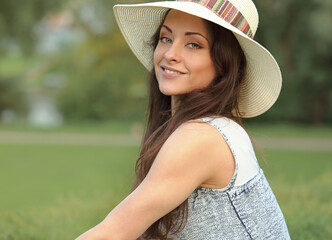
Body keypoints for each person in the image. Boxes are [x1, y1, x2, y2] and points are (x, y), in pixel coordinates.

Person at [76, 0, 291, 239]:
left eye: (193, 44)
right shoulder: (217, 128)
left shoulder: (201, 138)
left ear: (224, 63)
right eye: (166, 38)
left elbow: (114, 233)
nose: (170, 54)